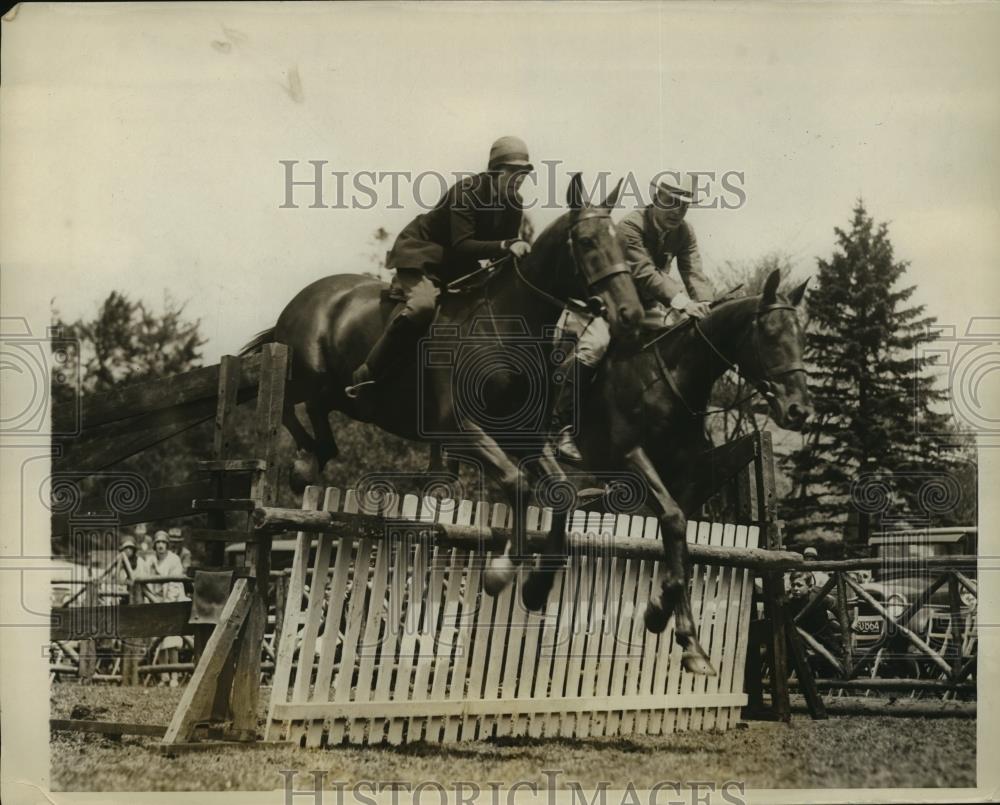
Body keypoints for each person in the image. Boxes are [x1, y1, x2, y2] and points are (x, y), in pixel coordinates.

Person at [345, 136, 533, 398]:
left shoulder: (515, 203)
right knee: (422, 307)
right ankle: (367, 373)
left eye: (523, 173)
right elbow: (463, 244)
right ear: (494, 172)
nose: (519, 179)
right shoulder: (465, 193)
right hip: (422, 253)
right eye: (513, 172)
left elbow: (500, 257)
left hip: (458, 265)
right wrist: (505, 245)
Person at [549, 174, 716, 462]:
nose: (678, 210)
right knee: (597, 346)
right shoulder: (629, 226)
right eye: (671, 202)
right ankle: (564, 426)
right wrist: (681, 302)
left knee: (679, 344)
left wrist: (705, 304)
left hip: (647, 306)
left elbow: (693, 270)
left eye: (684, 205)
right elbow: (644, 272)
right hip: (611, 303)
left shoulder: (684, 232)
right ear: (656, 199)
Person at [149, 531, 188, 686]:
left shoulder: (174, 560)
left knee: (172, 641)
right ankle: (163, 676)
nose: (160, 545)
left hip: (172, 602)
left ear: (167, 544)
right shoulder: (151, 561)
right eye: (158, 542)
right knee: (159, 640)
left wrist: (169, 603)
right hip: (156, 602)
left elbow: (175, 584)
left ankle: (175, 676)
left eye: (163, 543)